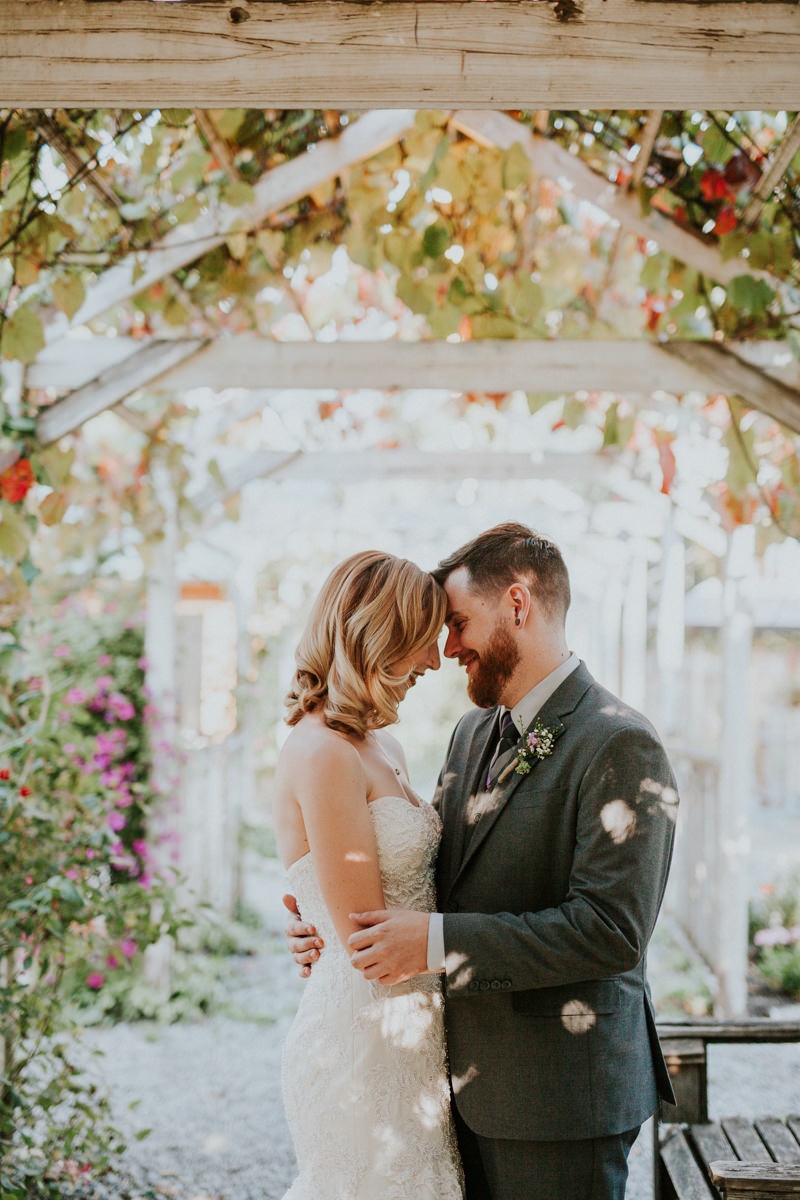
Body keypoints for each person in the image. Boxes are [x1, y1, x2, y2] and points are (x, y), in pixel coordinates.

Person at [287, 523, 679, 1200]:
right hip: (445, 1084)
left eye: (459, 622)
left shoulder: (620, 743)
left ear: (518, 606)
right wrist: (318, 922)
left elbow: (611, 930)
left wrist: (432, 943)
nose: (446, 649)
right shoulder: (471, 734)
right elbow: (427, 874)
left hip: (557, 1098)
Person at [272, 549, 464, 1200]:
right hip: (360, 1047)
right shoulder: (322, 752)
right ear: (375, 638)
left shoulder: (382, 746)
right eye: (422, 641)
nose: (435, 661)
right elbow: (370, 945)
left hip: (411, 1044)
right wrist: (526, 939)